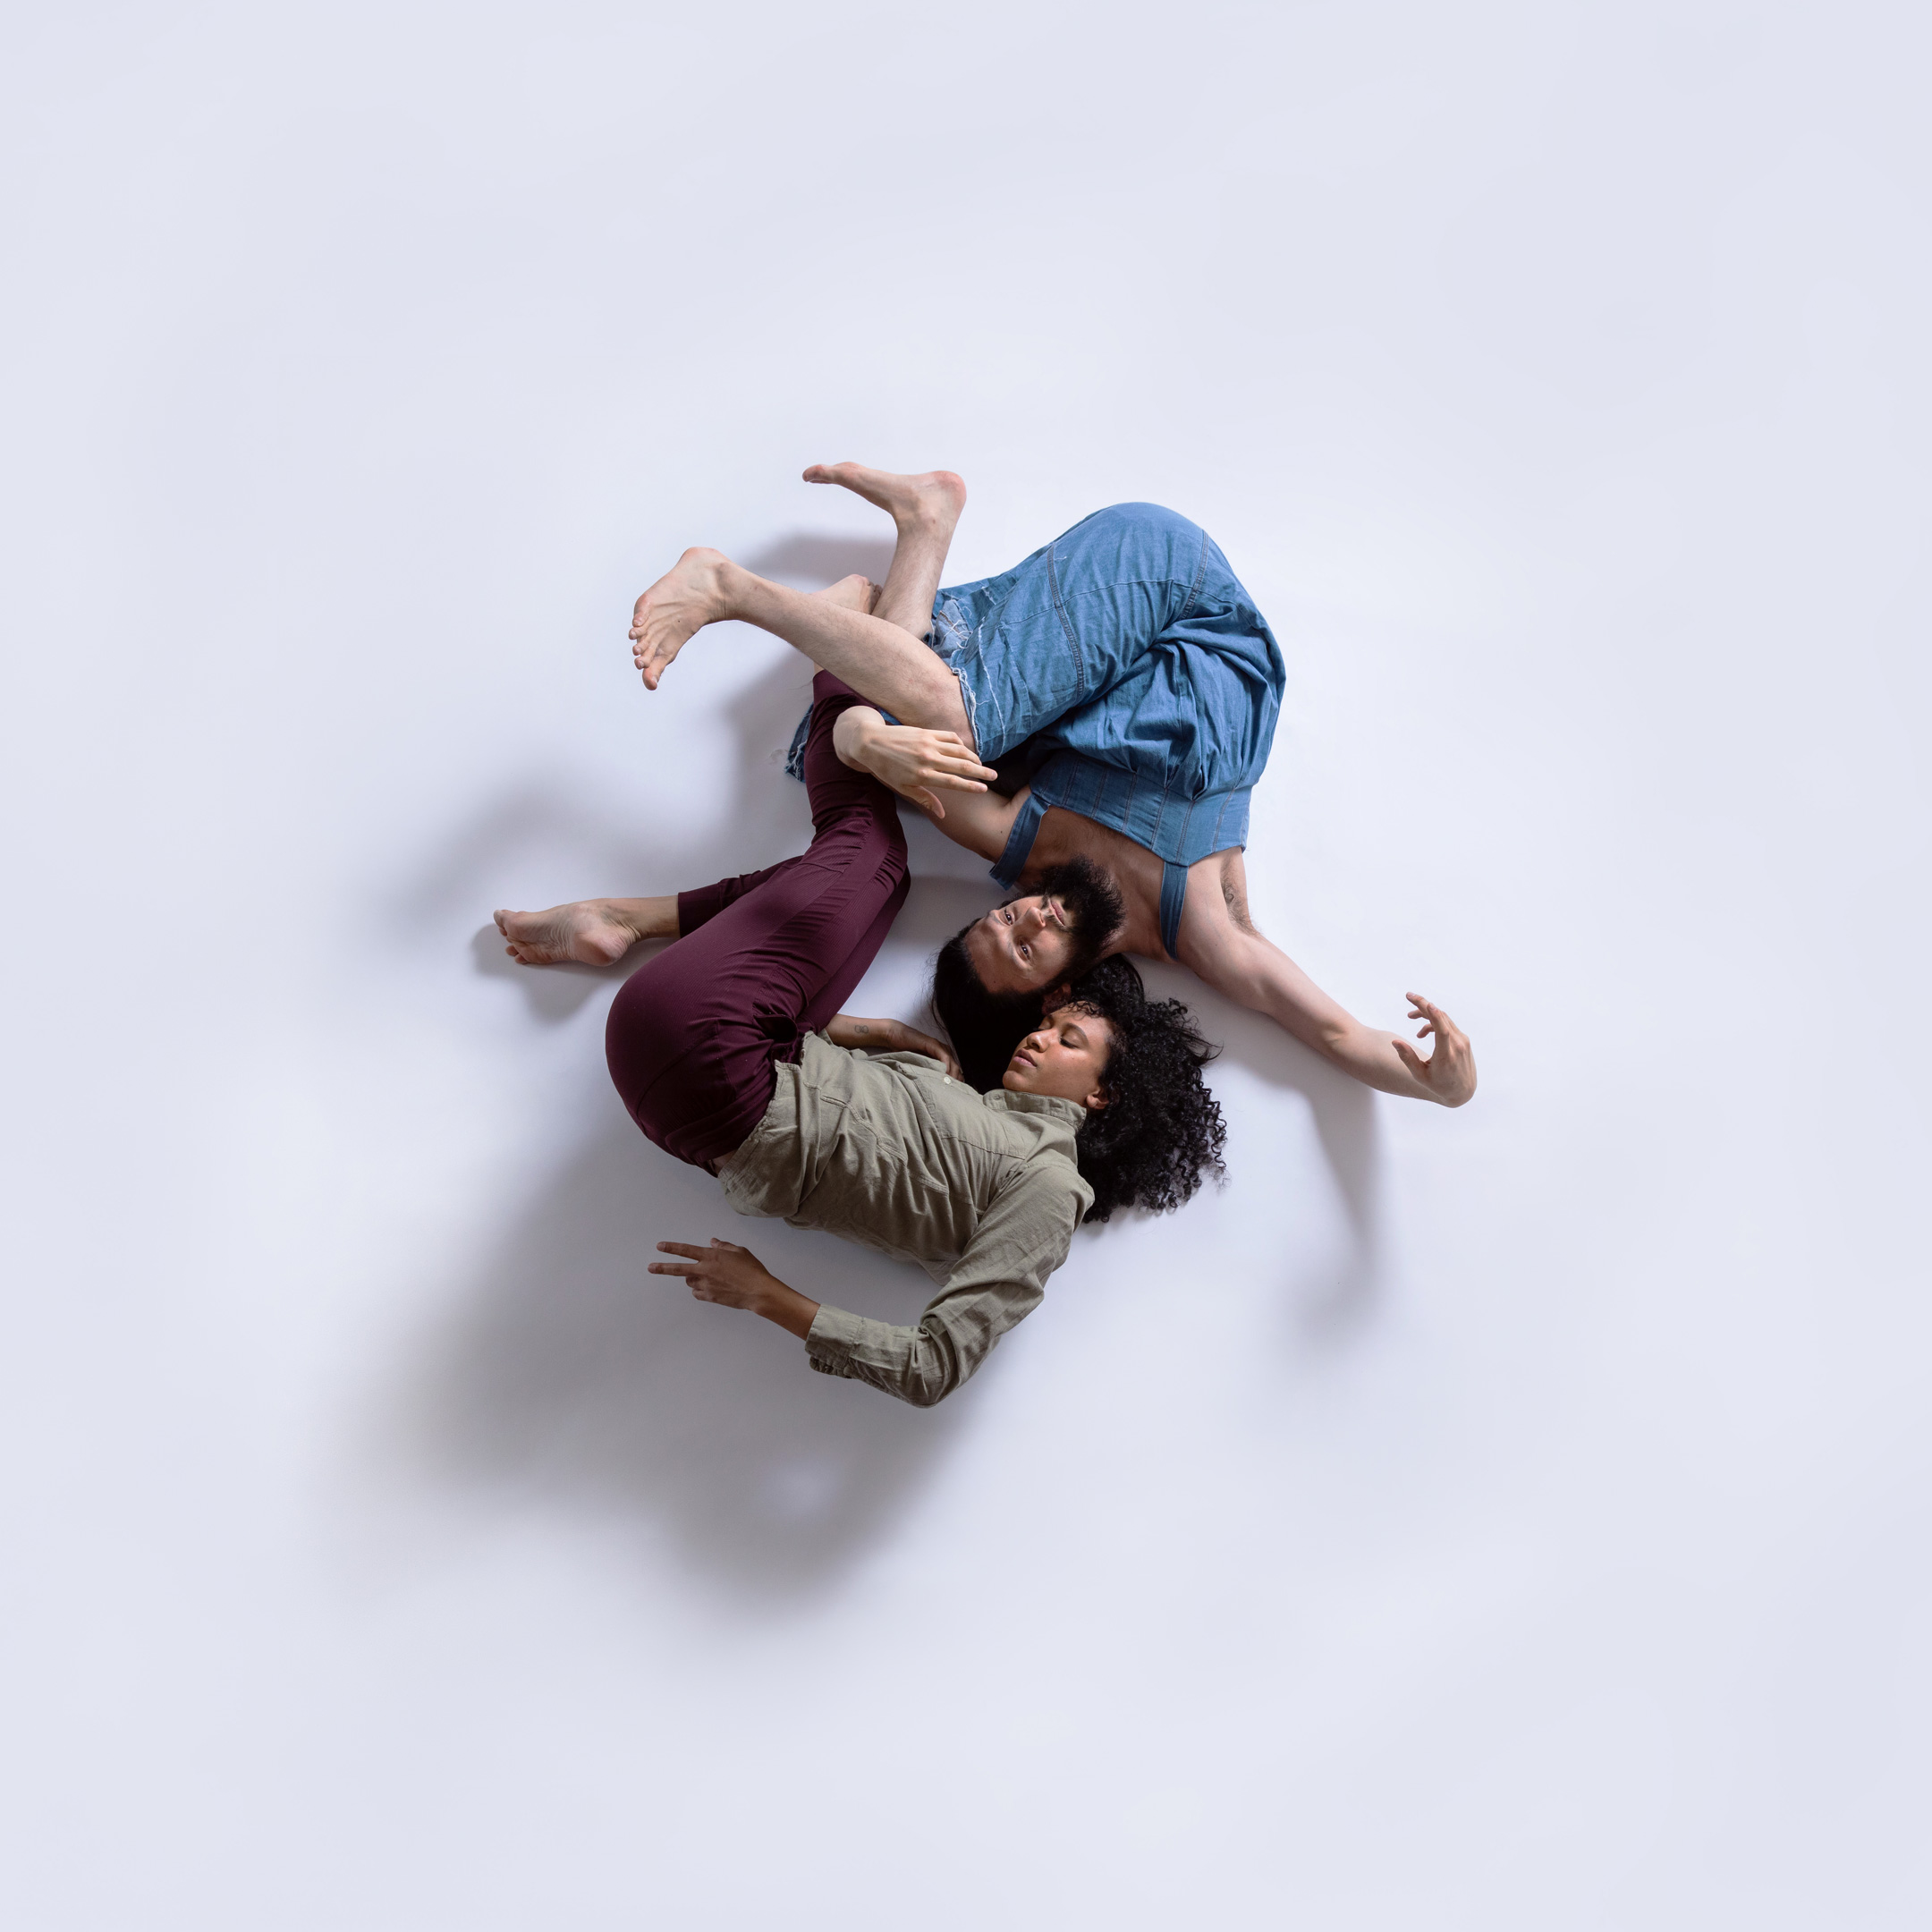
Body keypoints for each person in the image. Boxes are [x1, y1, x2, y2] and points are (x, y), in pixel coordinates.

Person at [624, 463, 1478, 1108]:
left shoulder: (1021, 845)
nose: (1029, 914)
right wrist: (1441, 1089)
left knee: (912, 717)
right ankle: (872, 543)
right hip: (1198, 622)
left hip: (1139, 587)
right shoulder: (1201, 929)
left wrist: (864, 742)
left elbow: (867, 740)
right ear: (1061, 992)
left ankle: (758, 580)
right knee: (927, 704)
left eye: (1003, 920)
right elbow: (1333, 1031)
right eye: (1027, 945)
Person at [494, 672, 1226, 1407]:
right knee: (863, 879)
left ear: (1102, 1094)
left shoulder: (1049, 1189)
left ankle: (844, 664)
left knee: (869, 853)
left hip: (717, 1074)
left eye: (1068, 1041)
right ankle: (628, 914)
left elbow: (933, 1366)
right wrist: (873, 1031)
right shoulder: (979, 1106)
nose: (1039, 1038)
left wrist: (768, 1297)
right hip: (713, 1082)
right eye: (1048, 1023)